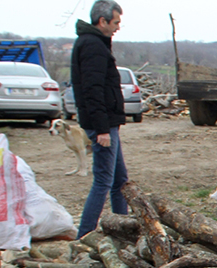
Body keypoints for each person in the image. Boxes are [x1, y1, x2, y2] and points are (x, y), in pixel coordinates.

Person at [71, 0, 129, 238]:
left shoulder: (95, 43)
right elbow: (92, 90)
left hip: (107, 124)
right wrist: (102, 128)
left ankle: (124, 229)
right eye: (115, 22)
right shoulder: (93, 45)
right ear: (102, 21)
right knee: (104, 181)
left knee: (120, 181)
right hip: (102, 126)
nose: (117, 27)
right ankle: (84, 236)